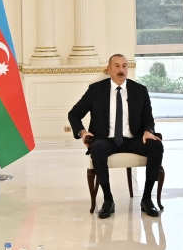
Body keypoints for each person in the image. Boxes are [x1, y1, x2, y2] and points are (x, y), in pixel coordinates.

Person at [68, 54, 164, 219]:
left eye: (124, 66)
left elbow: (148, 119)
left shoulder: (140, 90)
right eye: (117, 66)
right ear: (109, 69)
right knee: (97, 148)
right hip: (106, 140)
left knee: (156, 146)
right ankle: (108, 199)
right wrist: (83, 132)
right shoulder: (96, 90)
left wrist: (148, 130)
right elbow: (74, 114)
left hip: (133, 139)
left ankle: (147, 199)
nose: (121, 70)